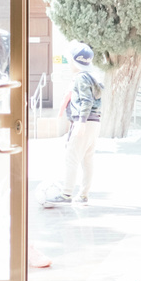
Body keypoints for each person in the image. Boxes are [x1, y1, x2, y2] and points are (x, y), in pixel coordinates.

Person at [42, 42, 103, 207]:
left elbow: (86, 100)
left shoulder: (81, 77)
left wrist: (81, 122)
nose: (68, 64)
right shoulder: (92, 76)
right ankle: (83, 195)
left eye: (69, 60)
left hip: (83, 122)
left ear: (75, 61)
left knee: (72, 158)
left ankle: (66, 194)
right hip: (94, 122)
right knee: (87, 159)